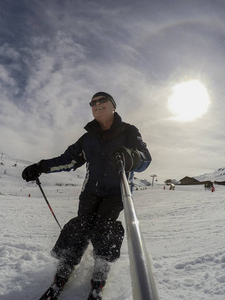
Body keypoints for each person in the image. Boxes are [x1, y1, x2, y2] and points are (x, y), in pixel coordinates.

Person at [22, 92, 151, 299]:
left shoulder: (129, 131)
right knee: (80, 226)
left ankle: (99, 278)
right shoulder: (88, 137)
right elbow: (68, 160)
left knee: (105, 227)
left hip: (116, 192)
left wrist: (130, 157)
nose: (97, 105)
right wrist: (41, 167)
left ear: (113, 106)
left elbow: (145, 159)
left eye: (102, 101)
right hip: (90, 191)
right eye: (93, 103)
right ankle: (63, 272)